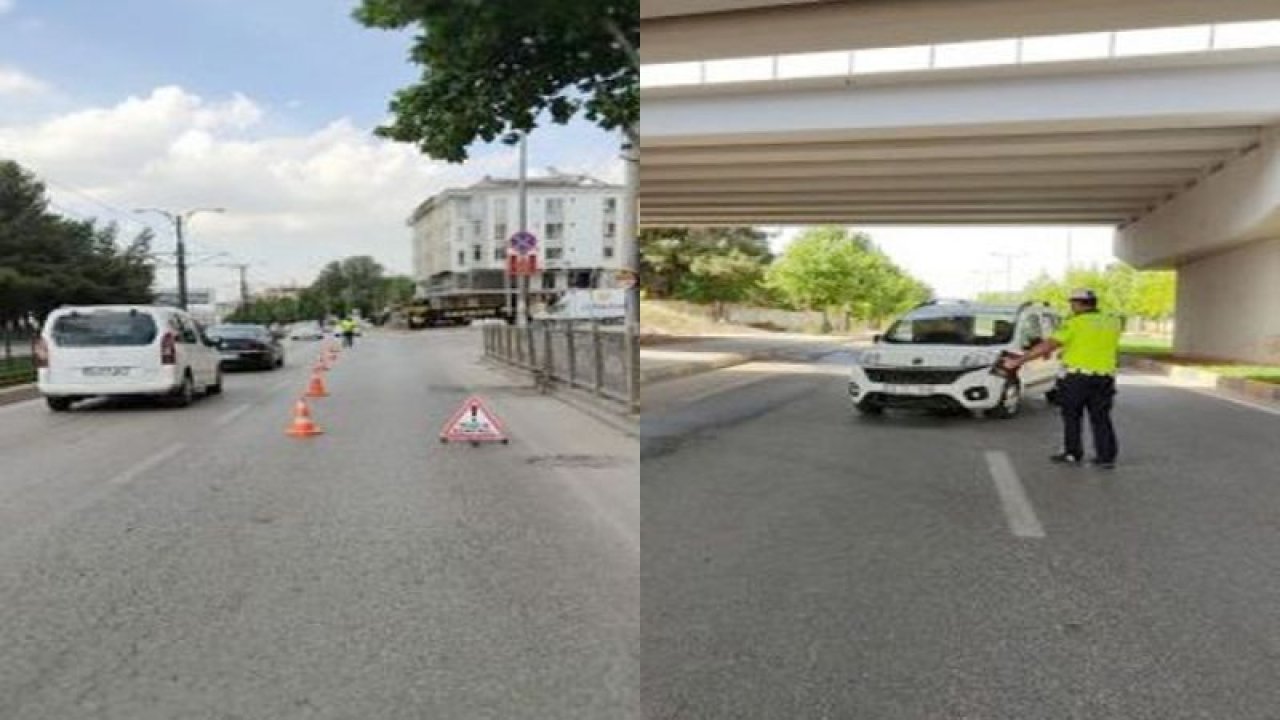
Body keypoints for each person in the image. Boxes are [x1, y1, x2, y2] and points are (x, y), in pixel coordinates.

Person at [1004, 289, 1123, 469]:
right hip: (1104, 378)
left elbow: (1049, 345)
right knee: (1101, 418)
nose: (1071, 306)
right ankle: (1106, 457)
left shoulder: (1075, 323)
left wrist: (1018, 360)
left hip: (1077, 378)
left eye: (1072, 303)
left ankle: (1073, 453)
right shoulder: (1113, 321)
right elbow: (1090, 344)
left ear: (1078, 304)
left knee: (1072, 416)